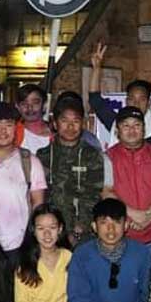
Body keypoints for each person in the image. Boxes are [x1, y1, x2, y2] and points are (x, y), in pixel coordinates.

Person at [0, 102, 47, 264]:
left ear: (16, 129)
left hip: (18, 246)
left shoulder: (30, 161)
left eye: (9, 125)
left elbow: (38, 205)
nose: (3, 131)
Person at [102, 107, 151, 263]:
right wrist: (133, 214)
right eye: (126, 126)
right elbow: (107, 192)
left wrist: (149, 215)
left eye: (136, 125)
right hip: (120, 237)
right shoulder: (109, 157)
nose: (132, 130)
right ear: (117, 131)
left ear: (144, 129)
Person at [37, 96, 104, 247]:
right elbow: (39, 197)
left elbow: (94, 195)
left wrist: (78, 229)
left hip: (84, 233)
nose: (70, 126)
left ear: (83, 124)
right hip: (50, 233)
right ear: (55, 123)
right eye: (64, 121)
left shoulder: (92, 155)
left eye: (76, 121)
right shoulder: (43, 156)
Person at [88, 42, 151, 148]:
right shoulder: (117, 121)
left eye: (141, 99)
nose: (136, 103)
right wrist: (96, 69)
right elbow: (95, 100)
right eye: (132, 99)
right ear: (126, 101)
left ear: (149, 102)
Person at [15, 83, 51, 154]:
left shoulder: (58, 133)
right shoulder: (11, 134)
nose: (30, 108)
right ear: (17, 107)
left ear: (44, 105)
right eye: (24, 104)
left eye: (35, 103)